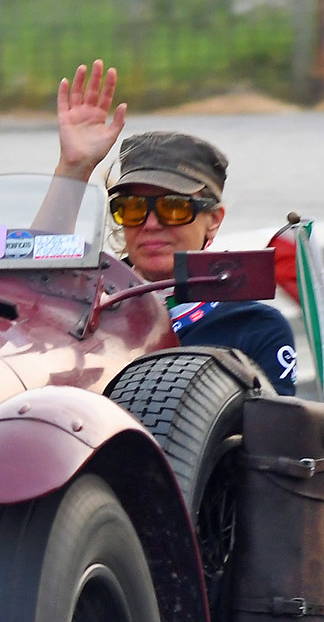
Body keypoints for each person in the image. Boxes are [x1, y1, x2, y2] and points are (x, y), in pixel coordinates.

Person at [53, 60, 300, 395]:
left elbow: (273, 443)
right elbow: (34, 279)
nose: (151, 224)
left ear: (213, 220)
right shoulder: (89, 307)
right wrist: (74, 167)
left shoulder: (255, 327)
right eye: (132, 208)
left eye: (174, 208)